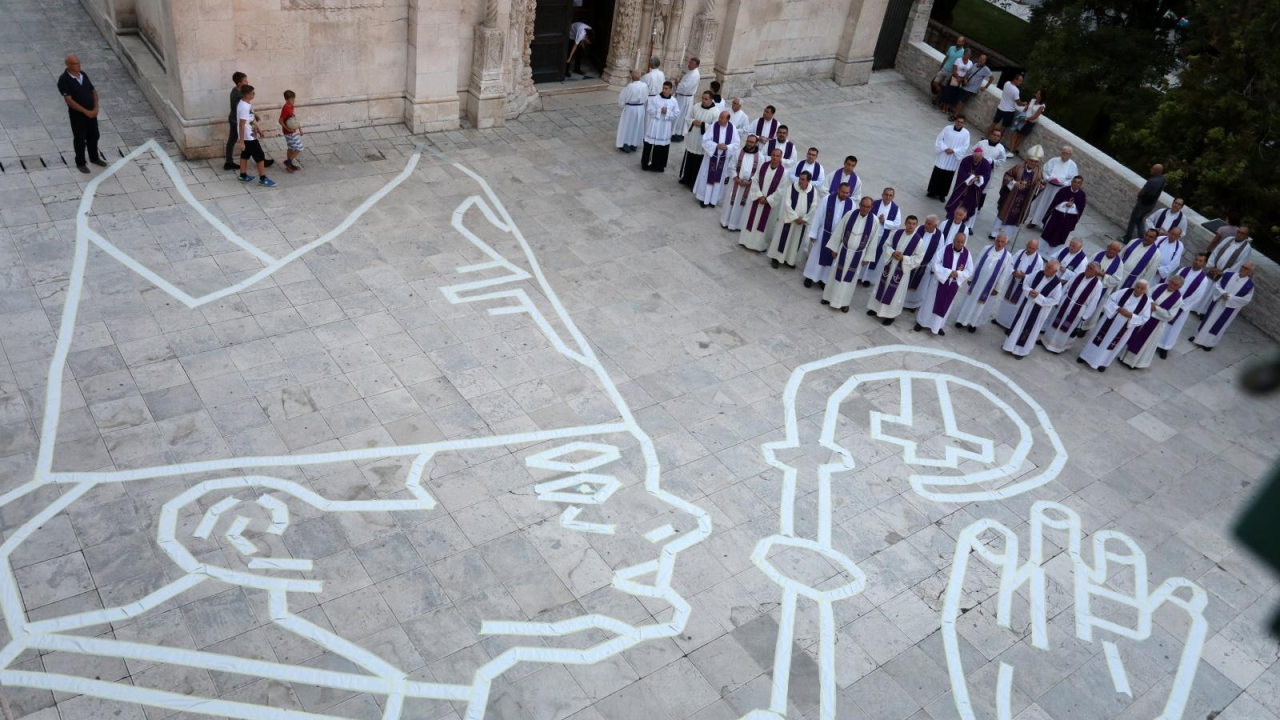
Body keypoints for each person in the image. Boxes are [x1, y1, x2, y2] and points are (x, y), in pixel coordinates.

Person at [821, 196, 880, 312]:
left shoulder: (875, 221)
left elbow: (873, 240)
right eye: (863, 205)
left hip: (858, 255)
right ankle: (828, 297)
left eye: (868, 207)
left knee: (850, 280)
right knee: (835, 275)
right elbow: (839, 231)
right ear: (860, 205)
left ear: (871, 207)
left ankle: (844, 303)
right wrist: (834, 248)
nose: (865, 208)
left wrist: (868, 257)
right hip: (844, 250)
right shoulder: (850, 214)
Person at [1078, 281, 1152, 372]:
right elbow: (1110, 300)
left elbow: (1145, 318)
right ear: (1135, 286)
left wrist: (1131, 315)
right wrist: (1118, 309)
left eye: (1142, 289)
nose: (1138, 290)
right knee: (1097, 340)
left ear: (1145, 290)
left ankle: (1103, 363)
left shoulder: (1146, 302)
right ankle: (1085, 356)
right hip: (1108, 321)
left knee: (1111, 346)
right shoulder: (1125, 291)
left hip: (1124, 329)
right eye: (1137, 287)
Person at [867, 217, 927, 325]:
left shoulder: (919, 241)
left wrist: (904, 258)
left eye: (913, 224)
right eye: (909, 223)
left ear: (916, 225)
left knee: (895, 293)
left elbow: (918, 258)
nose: (911, 226)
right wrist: (893, 253)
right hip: (890, 266)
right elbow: (886, 245)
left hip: (902, 270)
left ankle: (890, 315)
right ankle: (875, 308)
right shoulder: (896, 233)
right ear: (905, 223)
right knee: (882, 286)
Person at [1001, 259, 1065, 357]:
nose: (1046, 269)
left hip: (1039, 311)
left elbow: (1054, 300)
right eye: (1046, 266)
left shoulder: (1057, 284)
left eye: (1049, 268)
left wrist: (1039, 297)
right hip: (1027, 305)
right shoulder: (1038, 273)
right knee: (1018, 324)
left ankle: (1021, 351)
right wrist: (1029, 290)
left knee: (1030, 330)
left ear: (1055, 271)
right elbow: (1026, 281)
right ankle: (1009, 345)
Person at [1120, 275, 1185, 369]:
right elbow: (1147, 295)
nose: (1172, 285)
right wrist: (1150, 303)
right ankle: (1123, 356)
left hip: (1156, 323)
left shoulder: (1178, 300)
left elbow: (1170, 315)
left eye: (1175, 285)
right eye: (1171, 282)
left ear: (1179, 287)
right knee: (1133, 335)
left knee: (1143, 342)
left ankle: (1133, 362)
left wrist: (1157, 309)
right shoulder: (1160, 286)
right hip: (1144, 316)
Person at [915, 232, 973, 335]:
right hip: (938, 282)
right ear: (953, 240)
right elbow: (935, 263)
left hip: (952, 284)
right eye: (957, 241)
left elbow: (970, 270)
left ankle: (938, 326)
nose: (959, 244)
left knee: (946, 304)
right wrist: (949, 272)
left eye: (962, 242)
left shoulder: (967, 254)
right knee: (930, 303)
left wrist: (958, 274)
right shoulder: (944, 249)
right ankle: (922, 323)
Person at [1041, 262, 1106, 353]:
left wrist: (1086, 316)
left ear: (1095, 272)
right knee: (1055, 322)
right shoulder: (1079, 275)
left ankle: (1057, 347)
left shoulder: (1097, 285)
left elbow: (1094, 302)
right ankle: (1046, 341)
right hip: (1066, 302)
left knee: (1066, 329)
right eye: (1088, 267)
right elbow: (1067, 286)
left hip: (1078, 309)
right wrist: (1059, 300)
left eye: (1091, 269)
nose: (1087, 269)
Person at [57, 55, 106, 174]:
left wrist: (96, 107)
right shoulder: (64, 80)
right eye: (74, 64)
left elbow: (92, 91)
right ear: (68, 65)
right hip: (78, 116)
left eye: (78, 63)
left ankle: (94, 157)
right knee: (79, 139)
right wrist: (85, 112)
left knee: (94, 135)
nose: (78, 65)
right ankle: (80, 162)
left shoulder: (83, 75)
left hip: (91, 113)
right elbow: (69, 100)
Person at [954, 232, 1012, 332]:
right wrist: (971, 277)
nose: (999, 243)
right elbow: (976, 263)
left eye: (1002, 242)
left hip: (989, 286)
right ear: (995, 240)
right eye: (998, 240)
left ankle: (973, 323)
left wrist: (998, 288)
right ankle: (961, 320)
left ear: (1005, 244)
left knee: (980, 305)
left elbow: (1004, 274)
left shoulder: (1008, 257)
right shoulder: (986, 249)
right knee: (969, 300)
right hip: (977, 282)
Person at [1156, 253, 1211, 358]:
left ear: (1204, 263)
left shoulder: (1203, 280)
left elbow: (1197, 296)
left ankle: (1165, 347)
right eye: (1196, 259)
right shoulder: (1183, 270)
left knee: (1173, 328)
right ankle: (1155, 341)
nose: (1197, 262)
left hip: (1182, 307)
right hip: (1170, 300)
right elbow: (1172, 281)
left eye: (1200, 261)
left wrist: (1179, 304)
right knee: (1162, 322)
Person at [1192, 263, 1254, 351]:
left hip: (1229, 308)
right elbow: (1217, 285)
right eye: (1242, 267)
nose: (1243, 269)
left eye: (1246, 268)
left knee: (1219, 325)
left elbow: (1246, 300)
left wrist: (1230, 298)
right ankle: (1196, 336)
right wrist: (1222, 293)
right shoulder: (1228, 275)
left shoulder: (1249, 286)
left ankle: (1209, 343)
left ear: (1250, 272)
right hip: (1218, 302)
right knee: (1208, 318)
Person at [804, 183, 855, 289]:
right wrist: (813, 232)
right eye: (843, 192)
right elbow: (818, 216)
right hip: (824, 233)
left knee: (830, 260)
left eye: (847, 193)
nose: (845, 194)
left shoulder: (852, 205)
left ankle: (823, 280)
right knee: (816, 256)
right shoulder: (827, 199)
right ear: (838, 190)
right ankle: (809, 277)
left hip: (837, 238)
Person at [988, 145, 1044, 240]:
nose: (1032, 163)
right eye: (1031, 160)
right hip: (1011, 196)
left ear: (1038, 163)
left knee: (1015, 217)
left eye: (1035, 162)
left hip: (1024, 200)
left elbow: (1042, 185)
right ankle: (995, 233)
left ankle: (1006, 237)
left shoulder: (1039, 173)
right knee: (1004, 212)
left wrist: (1039, 186)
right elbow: (1007, 176)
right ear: (1027, 159)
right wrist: (1014, 183)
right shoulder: (1018, 167)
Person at [767, 171, 819, 269]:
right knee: (781, 239)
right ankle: (776, 258)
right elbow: (787, 204)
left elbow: (813, 207)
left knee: (795, 241)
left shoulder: (813, 191)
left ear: (808, 181)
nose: (800, 181)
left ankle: (789, 260)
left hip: (801, 223)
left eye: (803, 179)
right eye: (800, 178)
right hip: (789, 220)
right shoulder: (792, 187)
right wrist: (795, 217)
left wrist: (804, 219)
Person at [739, 148, 787, 251]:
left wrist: (767, 200)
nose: (775, 157)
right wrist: (759, 195)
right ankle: (745, 241)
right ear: (771, 155)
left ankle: (759, 246)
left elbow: (781, 191)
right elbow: (755, 180)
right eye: (773, 155)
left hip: (769, 204)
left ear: (781, 157)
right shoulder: (763, 166)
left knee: (765, 224)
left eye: (777, 156)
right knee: (751, 220)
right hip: (757, 199)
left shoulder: (783, 173)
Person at [693, 111, 739, 208]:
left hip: (722, 159)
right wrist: (716, 146)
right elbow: (705, 140)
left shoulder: (732, 128)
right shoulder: (713, 126)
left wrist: (727, 147)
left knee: (718, 179)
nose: (720, 119)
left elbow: (736, 144)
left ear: (728, 119)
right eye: (720, 117)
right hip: (711, 158)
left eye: (722, 118)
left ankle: (713, 200)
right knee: (706, 178)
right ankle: (703, 199)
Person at [995, 238, 1044, 328]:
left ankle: (1009, 325)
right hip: (1013, 281)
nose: (1030, 250)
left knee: (1016, 306)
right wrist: (1013, 272)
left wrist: (1025, 276)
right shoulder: (1020, 252)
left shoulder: (1039, 261)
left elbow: (1037, 276)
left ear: (1037, 249)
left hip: (1023, 286)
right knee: (1005, 301)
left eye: (1033, 248)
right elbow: (1010, 263)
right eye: (1029, 247)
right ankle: (999, 320)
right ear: (1026, 245)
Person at [1079, 241, 1126, 334]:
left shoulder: (1119, 264)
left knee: (1094, 307)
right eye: (1110, 248)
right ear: (1107, 247)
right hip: (1088, 283)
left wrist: (1103, 274)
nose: (1111, 251)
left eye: (1114, 250)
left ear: (1118, 251)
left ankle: (1084, 327)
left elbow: (1116, 280)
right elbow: (1087, 264)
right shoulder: (1098, 255)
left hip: (1102, 289)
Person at [236, 86, 276, 188]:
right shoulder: (244, 107)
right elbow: (241, 124)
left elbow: (251, 119)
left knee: (245, 155)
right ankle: (263, 179)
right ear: (248, 95)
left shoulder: (245, 103)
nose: (254, 94)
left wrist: (258, 129)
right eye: (253, 93)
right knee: (260, 156)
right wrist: (241, 142)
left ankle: (243, 175)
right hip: (249, 137)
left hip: (249, 135)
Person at [904, 215, 946, 310]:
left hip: (925, 266)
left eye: (929, 224)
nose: (926, 225)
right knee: (906, 282)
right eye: (926, 222)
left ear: (935, 226)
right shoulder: (919, 228)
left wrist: (931, 266)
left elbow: (938, 253)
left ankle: (913, 305)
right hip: (912, 262)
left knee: (920, 287)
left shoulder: (940, 236)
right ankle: (902, 302)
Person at [861, 188, 903, 285]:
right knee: (865, 253)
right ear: (882, 194)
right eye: (886, 194)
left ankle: (868, 278)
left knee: (876, 257)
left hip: (883, 237)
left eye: (890, 195)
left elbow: (897, 224)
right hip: (870, 234)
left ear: (893, 197)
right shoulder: (874, 204)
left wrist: (885, 222)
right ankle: (859, 275)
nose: (888, 197)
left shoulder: (895, 209)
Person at [1028, 146, 1077, 228]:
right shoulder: (1054, 160)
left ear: (1070, 155)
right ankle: (1034, 221)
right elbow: (1044, 170)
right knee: (1042, 204)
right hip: (1048, 186)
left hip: (1060, 190)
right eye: (1063, 152)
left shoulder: (1073, 166)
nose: (1064, 155)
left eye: (1067, 153)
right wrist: (1048, 178)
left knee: (1053, 207)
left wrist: (1064, 183)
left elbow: (1073, 179)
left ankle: (1046, 225)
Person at [944, 146, 990, 231]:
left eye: (978, 158)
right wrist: (970, 177)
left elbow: (987, 176)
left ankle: (965, 224)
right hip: (963, 187)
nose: (976, 160)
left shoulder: (986, 164)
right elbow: (961, 172)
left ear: (981, 157)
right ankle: (951, 219)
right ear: (973, 155)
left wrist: (978, 178)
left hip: (974, 190)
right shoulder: (966, 160)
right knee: (957, 202)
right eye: (975, 157)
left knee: (969, 205)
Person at [721, 134, 761, 230]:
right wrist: (736, 178)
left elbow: (759, 173)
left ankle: (737, 225)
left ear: (756, 144)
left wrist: (750, 181)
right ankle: (726, 221)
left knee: (742, 206)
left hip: (749, 186)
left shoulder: (760, 157)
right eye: (748, 141)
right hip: (736, 183)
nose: (749, 143)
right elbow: (731, 166)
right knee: (731, 203)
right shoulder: (738, 153)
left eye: (752, 142)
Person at [679, 91, 719, 187]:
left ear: (711, 99)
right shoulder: (696, 106)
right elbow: (688, 117)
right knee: (689, 159)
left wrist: (703, 124)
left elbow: (715, 127)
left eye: (706, 99)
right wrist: (693, 121)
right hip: (693, 138)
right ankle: (686, 178)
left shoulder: (715, 112)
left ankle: (694, 183)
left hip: (702, 141)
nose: (703, 100)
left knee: (698, 162)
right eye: (702, 98)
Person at [1037, 176, 1086, 251]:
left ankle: (1052, 255)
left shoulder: (1082, 195)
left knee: (1061, 236)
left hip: (1069, 220)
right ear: (1072, 182)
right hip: (1057, 216)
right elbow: (1055, 202)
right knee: (1049, 232)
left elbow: (1081, 208)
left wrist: (1073, 205)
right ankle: (1041, 251)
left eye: (1078, 183)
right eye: (1075, 182)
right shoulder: (1063, 190)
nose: (1076, 184)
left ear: (1081, 184)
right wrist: (1065, 204)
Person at [928, 116, 970, 200]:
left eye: (961, 122)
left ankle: (942, 195)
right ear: (955, 121)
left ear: (963, 123)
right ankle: (932, 191)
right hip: (943, 154)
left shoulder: (966, 133)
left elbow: (965, 146)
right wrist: (945, 148)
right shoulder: (947, 128)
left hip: (953, 157)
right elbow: (940, 139)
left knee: (947, 177)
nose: (959, 123)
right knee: (937, 173)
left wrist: (954, 150)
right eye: (958, 121)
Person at [641, 81, 679, 172]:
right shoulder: (656, 98)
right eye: (663, 88)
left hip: (665, 127)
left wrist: (667, 112)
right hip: (654, 124)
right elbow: (649, 110)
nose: (664, 90)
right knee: (649, 144)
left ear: (670, 90)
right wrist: (659, 111)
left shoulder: (673, 101)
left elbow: (676, 113)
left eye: (666, 88)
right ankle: (645, 164)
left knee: (662, 146)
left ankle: (658, 165)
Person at [1123, 164, 1166, 242]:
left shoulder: (1152, 181)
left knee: (1133, 220)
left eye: (1152, 168)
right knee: (1139, 219)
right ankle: (1142, 237)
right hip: (1151, 204)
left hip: (1143, 203)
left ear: (1157, 171)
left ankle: (1127, 238)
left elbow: (1142, 192)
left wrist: (1139, 197)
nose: (1151, 169)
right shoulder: (1163, 179)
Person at [972, 129, 1008, 214]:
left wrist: (992, 161)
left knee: (984, 188)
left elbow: (1002, 160)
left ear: (1000, 138)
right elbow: (972, 151)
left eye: (998, 136)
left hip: (989, 172)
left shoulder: (1001, 149)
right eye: (994, 134)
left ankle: (978, 206)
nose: (995, 137)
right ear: (991, 135)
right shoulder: (981, 143)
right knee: (973, 185)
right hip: (977, 169)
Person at [616, 70, 648, 152]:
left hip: (630, 108)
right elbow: (646, 97)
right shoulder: (644, 85)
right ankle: (634, 144)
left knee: (627, 126)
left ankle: (625, 144)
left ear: (631, 77)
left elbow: (623, 98)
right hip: (640, 108)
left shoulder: (630, 86)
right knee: (636, 126)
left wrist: (622, 105)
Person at [670, 57, 701, 142]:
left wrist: (677, 83)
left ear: (696, 65)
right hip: (682, 97)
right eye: (689, 62)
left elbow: (685, 88)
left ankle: (678, 135)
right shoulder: (691, 72)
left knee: (681, 117)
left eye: (691, 63)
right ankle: (676, 133)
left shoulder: (695, 74)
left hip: (685, 98)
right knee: (679, 116)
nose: (689, 64)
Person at [954, 53, 992, 119]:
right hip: (965, 86)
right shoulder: (974, 65)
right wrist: (965, 79)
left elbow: (991, 78)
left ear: (985, 61)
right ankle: (955, 113)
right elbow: (968, 73)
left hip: (972, 89)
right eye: (980, 58)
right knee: (959, 100)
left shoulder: (986, 69)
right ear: (978, 58)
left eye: (983, 59)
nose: (981, 60)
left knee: (962, 102)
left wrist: (985, 87)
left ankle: (955, 115)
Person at [932, 36, 968, 103]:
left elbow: (962, 63)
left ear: (963, 43)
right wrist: (941, 66)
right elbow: (946, 57)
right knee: (935, 83)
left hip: (951, 73)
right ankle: (939, 96)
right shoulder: (951, 48)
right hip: (944, 69)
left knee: (943, 86)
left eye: (960, 42)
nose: (958, 42)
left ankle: (936, 98)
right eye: (958, 41)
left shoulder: (963, 52)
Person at [1008, 89, 1044, 155]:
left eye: (1038, 94)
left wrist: (1026, 119)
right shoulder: (1032, 100)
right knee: (1014, 134)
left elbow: (1036, 116)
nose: (1036, 94)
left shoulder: (1042, 106)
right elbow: (1026, 108)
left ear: (1041, 96)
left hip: (1029, 122)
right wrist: (1022, 116)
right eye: (1037, 93)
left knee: (1020, 136)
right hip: (1023, 119)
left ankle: (1012, 151)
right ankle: (1012, 150)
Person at [224, 71, 247, 171]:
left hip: (233, 118)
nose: (247, 82)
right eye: (245, 80)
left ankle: (228, 162)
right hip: (237, 121)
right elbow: (243, 109)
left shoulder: (235, 90)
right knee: (251, 140)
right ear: (239, 83)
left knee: (231, 140)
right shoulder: (238, 95)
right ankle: (260, 159)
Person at [940, 48, 974, 116]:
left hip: (961, 80)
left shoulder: (970, 63)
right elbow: (954, 69)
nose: (967, 55)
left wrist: (962, 79)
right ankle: (944, 107)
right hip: (955, 78)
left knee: (954, 94)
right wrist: (958, 78)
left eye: (969, 54)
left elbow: (968, 73)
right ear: (964, 54)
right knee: (948, 92)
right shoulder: (958, 60)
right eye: (966, 54)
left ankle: (948, 107)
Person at [279, 90, 304, 172]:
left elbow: (294, 118)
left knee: (291, 148)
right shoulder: (285, 109)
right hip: (289, 132)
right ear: (286, 99)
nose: (293, 101)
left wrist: (299, 128)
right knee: (299, 147)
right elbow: (280, 120)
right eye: (291, 99)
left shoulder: (291, 106)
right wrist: (287, 129)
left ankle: (289, 166)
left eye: (294, 99)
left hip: (292, 131)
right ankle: (288, 162)